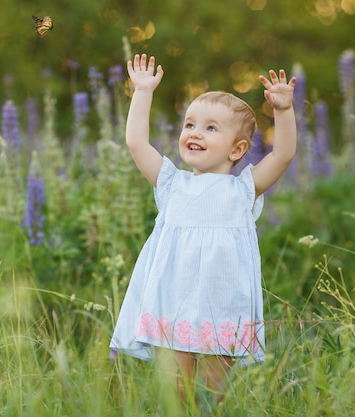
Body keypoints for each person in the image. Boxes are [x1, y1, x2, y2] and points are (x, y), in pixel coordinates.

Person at [109, 54, 297, 404]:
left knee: (210, 396)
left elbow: (283, 155)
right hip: (174, 303)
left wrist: (283, 111)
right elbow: (137, 143)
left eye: (211, 128)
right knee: (178, 392)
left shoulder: (243, 190)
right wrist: (143, 91)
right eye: (190, 125)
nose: (195, 133)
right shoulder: (170, 183)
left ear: (238, 149)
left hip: (222, 306)